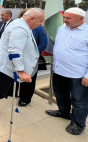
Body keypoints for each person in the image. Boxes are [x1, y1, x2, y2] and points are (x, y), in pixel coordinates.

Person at [0, 8, 44, 114]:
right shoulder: (20, 27)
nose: (42, 23)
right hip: (9, 65)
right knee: (6, 87)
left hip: (10, 64)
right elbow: (15, 51)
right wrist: (21, 71)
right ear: (32, 19)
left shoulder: (22, 24)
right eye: (41, 20)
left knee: (7, 88)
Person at [46, 7, 88, 136]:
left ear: (81, 19)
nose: (64, 20)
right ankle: (63, 112)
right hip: (59, 71)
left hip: (78, 74)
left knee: (79, 100)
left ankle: (78, 123)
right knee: (61, 94)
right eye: (64, 17)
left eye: (68, 18)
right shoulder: (61, 29)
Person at [18, 9, 47, 107]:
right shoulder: (20, 27)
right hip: (20, 56)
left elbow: (43, 43)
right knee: (21, 76)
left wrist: (32, 53)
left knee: (30, 78)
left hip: (32, 58)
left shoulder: (39, 28)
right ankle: (20, 94)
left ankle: (26, 98)